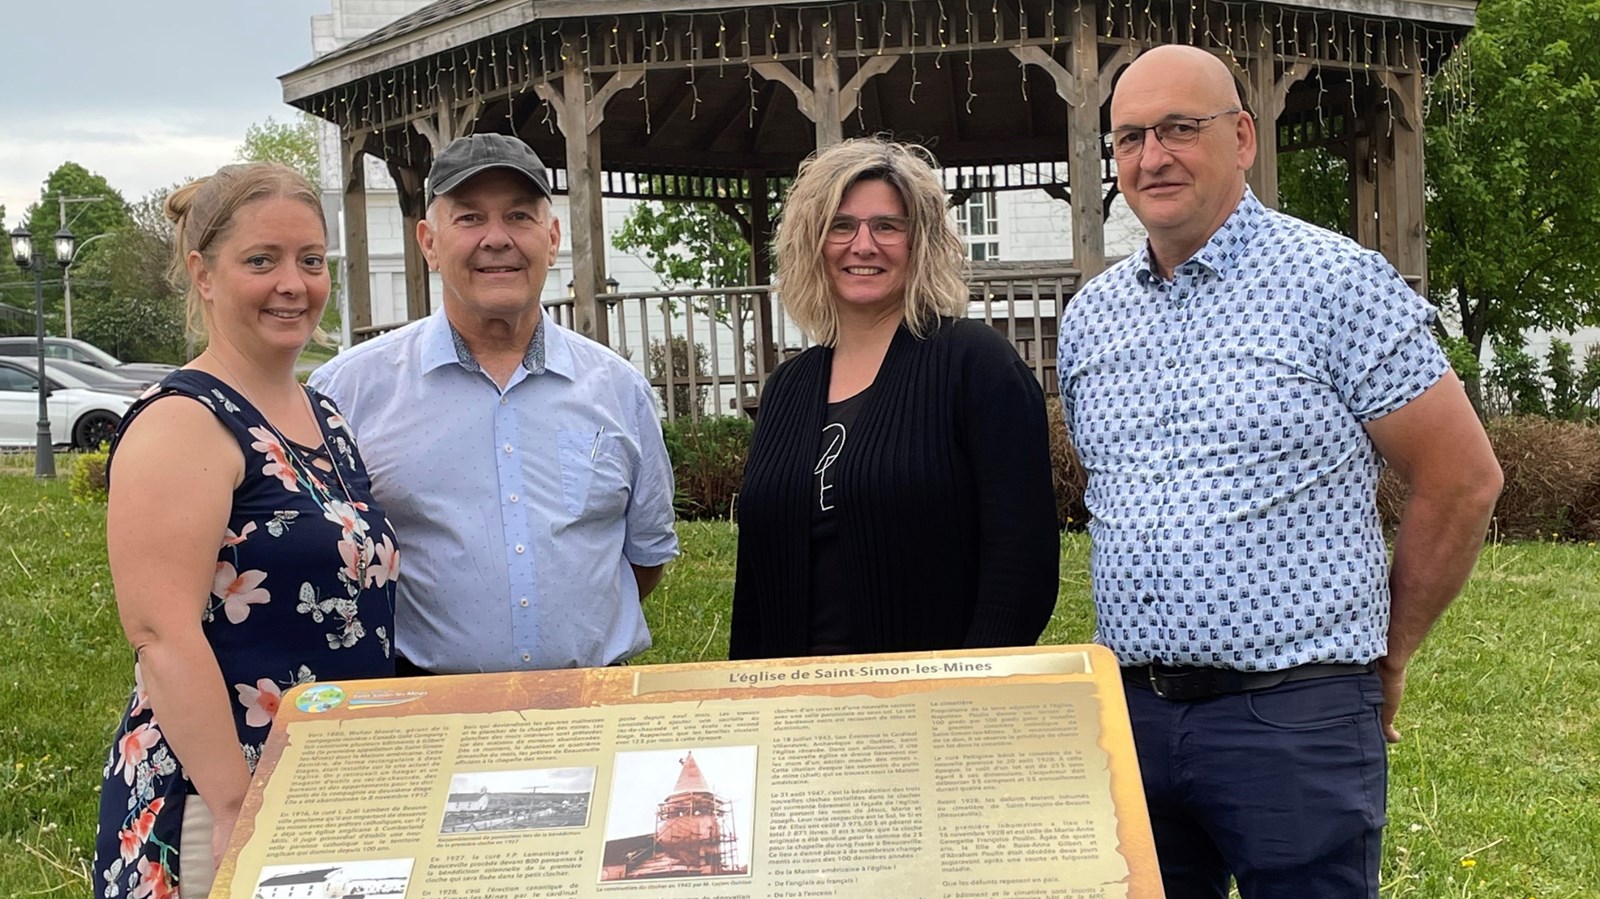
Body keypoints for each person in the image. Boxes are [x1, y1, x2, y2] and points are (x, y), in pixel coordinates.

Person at [1057, 45, 1503, 899]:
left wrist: (1391, 651)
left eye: (1180, 129)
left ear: (1242, 138)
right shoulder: (1091, 320)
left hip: (1293, 717)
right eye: (1129, 139)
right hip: (1130, 716)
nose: (1153, 157)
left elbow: (1462, 477)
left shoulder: (1334, 283)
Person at [94, 163, 399, 899]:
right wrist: (238, 806)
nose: (292, 283)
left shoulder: (323, 415)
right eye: (261, 261)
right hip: (217, 801)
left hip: (324, 792)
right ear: (203, 274)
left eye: (311, 260)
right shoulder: (183, 422)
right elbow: (162, 634)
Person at [310, 133, 678, 674]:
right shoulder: (348, 392)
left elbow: (645, 558)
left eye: (520, 217)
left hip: (593, 712)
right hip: (424, 715)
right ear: (429, 242)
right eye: (469, 219)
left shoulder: (619, 390)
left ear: (551, 239)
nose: (497, 239)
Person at [730, 137, 1060, 659]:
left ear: (921, 241)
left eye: (887, 226)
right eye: (841, 226)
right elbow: (753, 586)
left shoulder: (976, 365)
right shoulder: (786, 389)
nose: (863, 245)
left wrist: (968, 691)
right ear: (811, 242)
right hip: (795, 712)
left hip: (931, 711)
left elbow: (1022, 565)